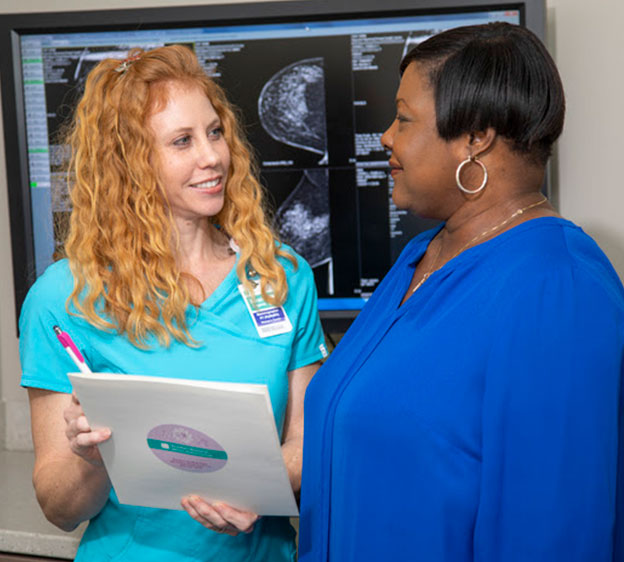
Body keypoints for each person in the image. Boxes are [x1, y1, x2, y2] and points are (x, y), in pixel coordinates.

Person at [299, 22, 624, 562]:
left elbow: (556, 532)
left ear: (476, 137)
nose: (385, 137)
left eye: (403, 119)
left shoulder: (557, 291)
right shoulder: (419, 258)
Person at [19, 45, 326, 562]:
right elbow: (58, 507)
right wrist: (91, 458)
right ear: (128, 163)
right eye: (182, 141)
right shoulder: (64, 298)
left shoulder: (281, 275)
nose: (212, 157)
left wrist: (253, 489)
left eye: (214, 131)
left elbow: (307, 445)